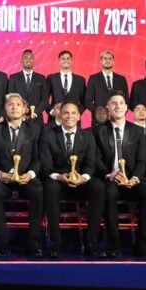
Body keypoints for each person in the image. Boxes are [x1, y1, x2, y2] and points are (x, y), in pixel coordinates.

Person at [94, 91, 146, 257]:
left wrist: (135, 178)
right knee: (108, 193)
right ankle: (114, 243)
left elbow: (142, 160)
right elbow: (96, 159)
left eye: (121, 103)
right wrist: (110, 174)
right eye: (113, 103)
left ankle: (141, 242)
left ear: (126, 107)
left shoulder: (137, 131)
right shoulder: (99, 131)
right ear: (107, 108)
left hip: (133, 177)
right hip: (111, 177)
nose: (117, 106)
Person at [39, 102, 104, 258]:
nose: (70, 116)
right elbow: (46, 166)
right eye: (66, 113)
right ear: (59, 116)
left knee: (99, 187)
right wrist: (59, 177)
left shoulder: (88, 136)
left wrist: (84, 178)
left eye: (73, 113)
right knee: (50, 187)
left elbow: (90, 164)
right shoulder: (48, 134)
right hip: (58, 179)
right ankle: (56, 242)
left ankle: (90, 242)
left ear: (79, 116)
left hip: (80, 179)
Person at [0, 93, 44, 257]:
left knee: (38, 191)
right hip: (4, 178)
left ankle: (34, 241)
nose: (14, 107)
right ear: (5, 108)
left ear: (25, 109)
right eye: (10, 104)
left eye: (18, 105)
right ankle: (2, 241)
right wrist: (0, 174)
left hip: (27, 177)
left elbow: (39, 159)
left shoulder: (35, 130)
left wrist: (31, 174)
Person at [7, 49, 49, 125]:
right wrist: (21, 112)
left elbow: (45, 100)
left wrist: (35, 113)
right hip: (18, 118)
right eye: (26, 58)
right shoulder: (13, 77)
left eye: (31, 58)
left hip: (37, 119)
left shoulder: (41, 78)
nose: (28, 60)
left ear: (34, 60)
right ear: (21, 61)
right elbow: (11, 98)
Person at [86, 50, 128, 120]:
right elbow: (87, 101)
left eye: (110, 58)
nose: (107, 60)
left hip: (117, 119)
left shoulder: (121, 79)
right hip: (99, 120)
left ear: (113, 61)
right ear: (100, 61)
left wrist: (119, 113)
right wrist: (98, 112)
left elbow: (126, 100)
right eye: (105, 58)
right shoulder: (93, 79)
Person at [47, 50, 86, 118]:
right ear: (58, 61)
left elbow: (84, 101)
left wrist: (77, 113)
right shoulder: (51, 78)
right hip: (55, 118)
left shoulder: (80, 80)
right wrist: (51, 111)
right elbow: (44, 98)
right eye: (63, 58)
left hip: (73, 120)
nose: (66, 60)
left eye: (68, 58)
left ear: (71, 62)